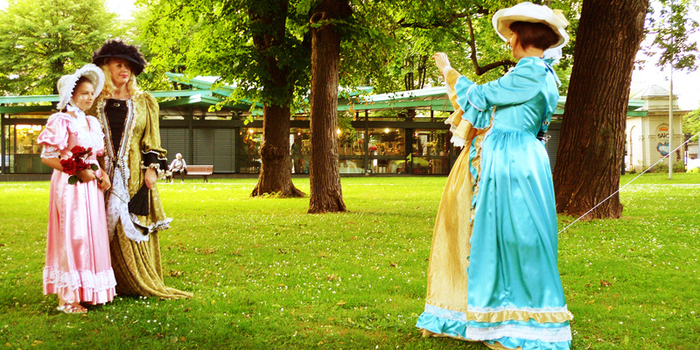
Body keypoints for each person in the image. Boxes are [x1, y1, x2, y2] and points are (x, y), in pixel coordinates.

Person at [415, 3, 573, 349]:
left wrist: (448, 71)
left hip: (507, 158)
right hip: (525, 156)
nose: (508, 43)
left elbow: (480, 96)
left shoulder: (529, 72)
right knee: (517, 235)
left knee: (502, 234)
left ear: (520, 38)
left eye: (511, 36)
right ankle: (489, 314)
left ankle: (513, 320)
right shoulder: (545, 73)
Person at [88, 40, 192, 299]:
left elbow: (151, 139)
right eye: (119, 65)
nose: (125, 70)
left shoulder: (144, 101)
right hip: (99, 174)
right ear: (105, 67)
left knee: (131, 223)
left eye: (129, 67)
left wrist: (151, 171)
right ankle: (104, 280)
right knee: (99, 225)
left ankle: (135, 278)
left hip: (133, 174)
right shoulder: (94, 101)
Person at [38, 64, 117, 313]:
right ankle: (67, 298)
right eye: (83, 92)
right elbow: (48, 157)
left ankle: (89, 291)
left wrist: (102, 174)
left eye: (91, 92)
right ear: (70, 94)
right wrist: (76, 170)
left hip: (91, 187)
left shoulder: (92, 122)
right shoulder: (60, 120)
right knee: (74, 235)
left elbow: (94, 157)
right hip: (71, 187)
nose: (88, 97)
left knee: (92, 234)